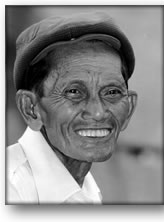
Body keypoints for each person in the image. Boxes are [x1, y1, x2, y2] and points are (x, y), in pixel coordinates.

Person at [6, 11, 137, 204]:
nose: (98, 112)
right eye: (74, 92)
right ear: (31, 108)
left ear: (130, 108)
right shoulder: (10, 189)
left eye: (112, 92)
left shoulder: (85, 190)